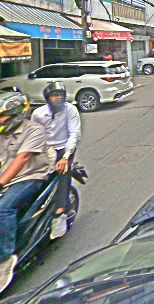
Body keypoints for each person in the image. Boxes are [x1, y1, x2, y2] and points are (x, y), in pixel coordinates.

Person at [0, 91, 49, 292]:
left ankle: (5, 259)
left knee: (4, 209)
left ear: (17, 115)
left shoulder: (34, 130)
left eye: (3, 116)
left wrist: (1, 182)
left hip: (29, 177)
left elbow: (23, 158)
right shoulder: (2, 133)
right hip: (5, 178)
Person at [31, 82, 81, 240]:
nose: (58, 98)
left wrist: (65, 157)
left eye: (61, 95)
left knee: (63, 173)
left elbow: (74, 134)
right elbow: (34, 135)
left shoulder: (70, 110)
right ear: (47, 98)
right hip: (45, 149)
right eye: (54, 95)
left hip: (64, 148)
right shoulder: (38, 114)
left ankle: (60, 213)